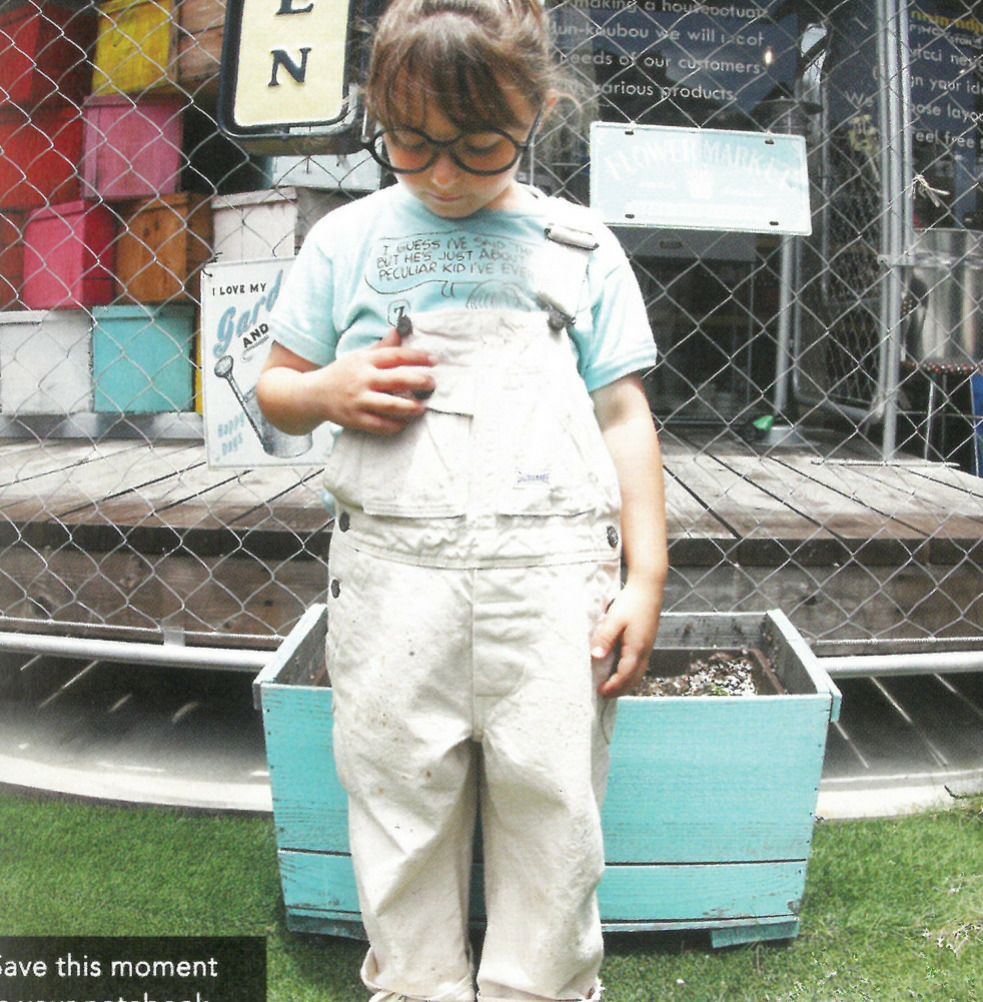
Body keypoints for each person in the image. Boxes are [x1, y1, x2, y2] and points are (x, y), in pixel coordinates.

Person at [256, 0, 667, 998]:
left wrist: (647, 575)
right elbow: (276, 387)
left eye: (480, 147)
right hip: (395, 581)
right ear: (377, 116)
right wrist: (328, 390)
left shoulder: (579, 245)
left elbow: (623, 414)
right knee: (398, 801)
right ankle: (417, 982)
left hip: (551, 585)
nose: (443, 174)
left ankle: (542, 985)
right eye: (411, 143)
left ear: (537, 112)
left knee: (554, 806)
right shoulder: (346, 240)